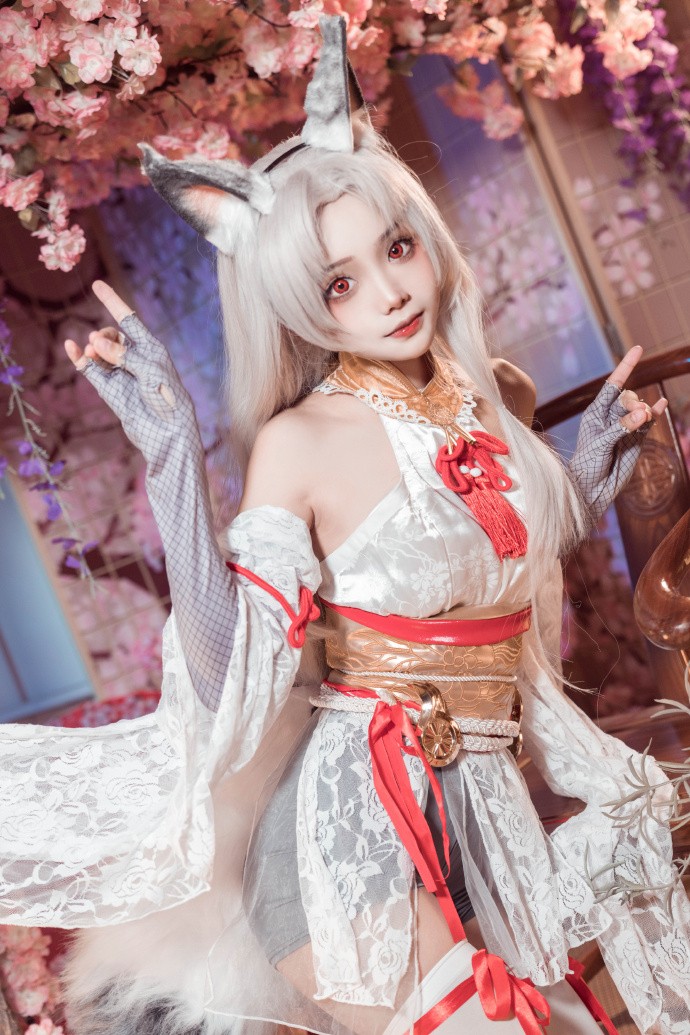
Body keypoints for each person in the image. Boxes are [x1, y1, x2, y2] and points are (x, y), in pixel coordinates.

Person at [1, 15, 688, 1035]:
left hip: (482, 809)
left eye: (396, 247)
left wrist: (578, 474)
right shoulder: (300, 441)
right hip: (345, 831)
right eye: (339, 282)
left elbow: (473, 579)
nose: (391, 292)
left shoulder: (482, 408)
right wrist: (174, 460)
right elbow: (231, 667)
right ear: (298, 305)